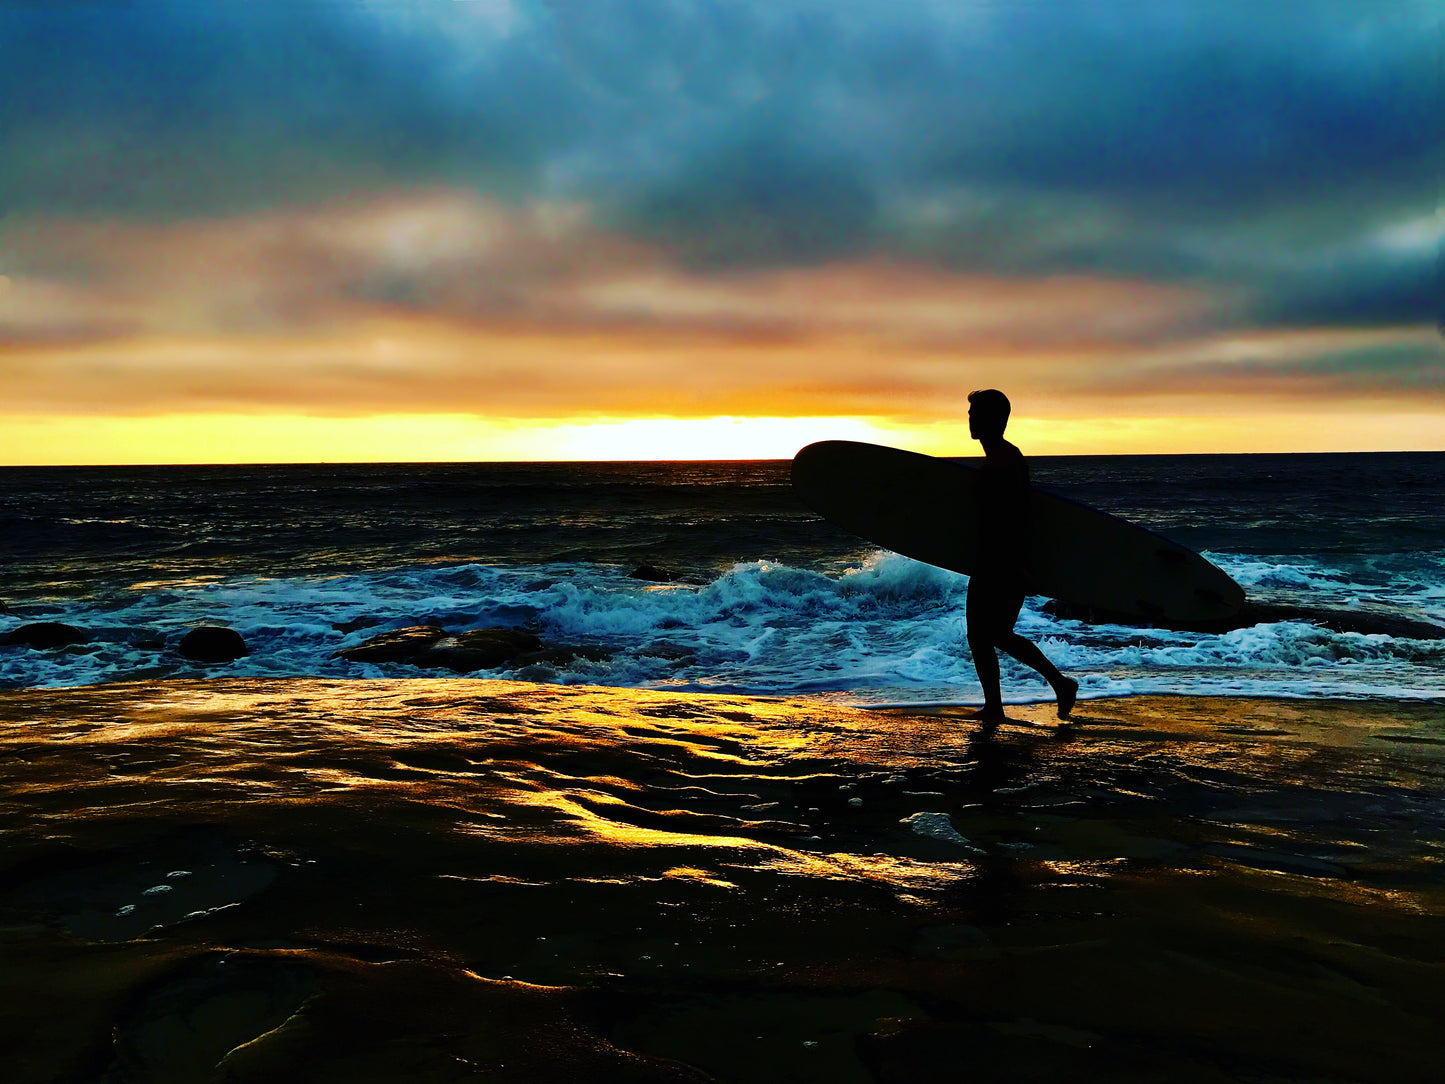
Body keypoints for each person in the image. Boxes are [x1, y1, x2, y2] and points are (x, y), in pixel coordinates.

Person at [965, 389, 1077, 722]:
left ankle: (1000, 705)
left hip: (1000, 562)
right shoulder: (1001, 458)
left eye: (975, 414)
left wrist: (1018, 565)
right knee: (993, 635)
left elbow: (1014, 517)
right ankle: (1055, 686)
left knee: (986, 635)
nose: (969, 419)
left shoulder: (1002, 463)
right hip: (996, 559)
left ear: (992, 419)